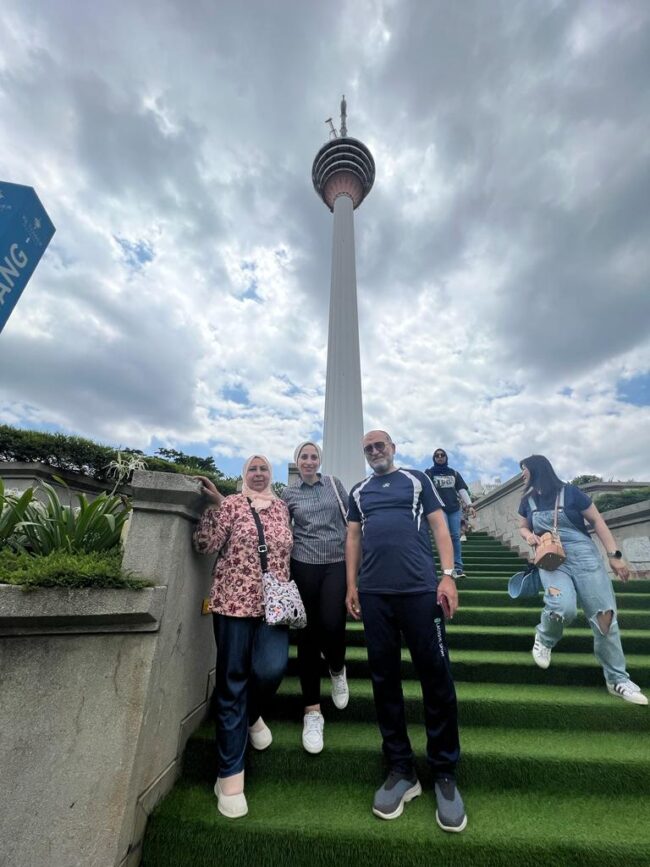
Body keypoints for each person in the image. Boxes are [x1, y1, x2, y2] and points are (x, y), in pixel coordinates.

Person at [346, 430, 467, 833]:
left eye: (380, 445)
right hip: (375, 595)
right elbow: (353, 538)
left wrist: (447, 577)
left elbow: (439, 526)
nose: (375, 451)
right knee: (384, 680)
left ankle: (444, 772)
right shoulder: (359, 491)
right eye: (368, 448)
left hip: (419, 592)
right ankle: (401, 770)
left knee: (436, 677)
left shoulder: (417, 479)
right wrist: (351, 586)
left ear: (393, 449)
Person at [193, 456, 294, 818]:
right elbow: (205, 545)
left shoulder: (283, 508)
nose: (258, 473)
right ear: (243, 475)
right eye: (252, 468)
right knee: (233, 682)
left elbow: (287, 552)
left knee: (271, 669)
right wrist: (213, 506)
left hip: (274, 606)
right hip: (232, 603)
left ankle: (251, 716)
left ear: (271, 475)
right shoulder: (231, 505)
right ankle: (230, 774)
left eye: (264, 468)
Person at [518, 454, 647, 706]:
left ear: (536, 469)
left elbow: (597, 521)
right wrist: (528, 536)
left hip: (585, 558)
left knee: (605, 617)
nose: (522, 474)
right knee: (561, 607)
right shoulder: (527, 500)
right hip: (552, 560)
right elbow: (522, 526)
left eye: (524, 469)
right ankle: (544, 638)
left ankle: (617, 679)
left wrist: (614, 556)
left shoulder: (571, 493)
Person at [281, 441, 349, 754]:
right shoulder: (289, 494)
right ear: (297, 461)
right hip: (303, 565)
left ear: (319, 460)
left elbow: (353, 523)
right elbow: (281, 531)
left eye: (313, 456)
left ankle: (337, 668)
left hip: (336, 564)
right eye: (303, 457)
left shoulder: (335, 485)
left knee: (333, 625)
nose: (309, 461)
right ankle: (312, 712)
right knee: (307, 637)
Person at [425, 448, 476, 578]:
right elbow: (424, 491)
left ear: (446, 457)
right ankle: (446, 568)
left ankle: (458, 567)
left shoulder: (454, 473)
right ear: (434, 458)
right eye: (437, 455)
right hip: (438, 509)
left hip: (454, 508)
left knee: (455, 536)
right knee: (444, 536)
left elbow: (462, 490)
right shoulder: (429, 473)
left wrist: (470, 505)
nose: (440, 457)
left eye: (442, 455)